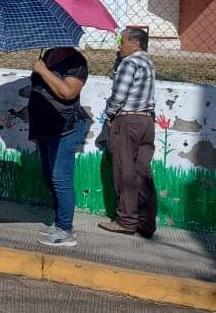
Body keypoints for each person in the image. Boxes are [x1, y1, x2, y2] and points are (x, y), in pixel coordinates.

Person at [99, 27, 157, 238]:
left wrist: (108, 114)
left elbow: (119, 95)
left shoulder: (129, 63)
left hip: (127, 121)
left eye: (122, 41)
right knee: (143, 173)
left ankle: (126, 220)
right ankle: (146, 222)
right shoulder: (148, 63)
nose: (119, 46)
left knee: (124, 172)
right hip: (146, 121)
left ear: (135, 44)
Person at [28, 47, 89, 247]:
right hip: (43, 127)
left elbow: (68, 92)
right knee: (49, 177)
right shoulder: (49, 55)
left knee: (60, 179)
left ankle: (66, 230)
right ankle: (58, 223)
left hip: (63, 129)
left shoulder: (77, 62)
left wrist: (43, 71)